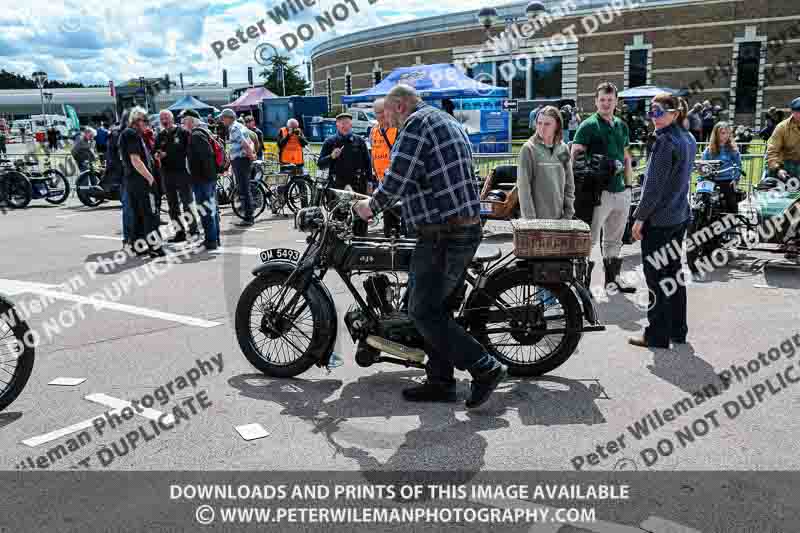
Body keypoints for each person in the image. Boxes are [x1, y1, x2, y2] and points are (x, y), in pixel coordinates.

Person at [353, 84, 507, 409]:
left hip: (443, 234)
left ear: (399, 105)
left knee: (421, 310)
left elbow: (397, 178)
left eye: (386, 114)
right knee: (438, 309)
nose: (386, 122)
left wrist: (370, 207)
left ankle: (485, 366)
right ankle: (440, 381)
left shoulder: (416, 125)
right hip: (458, 226)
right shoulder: (443, 119)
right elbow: (427, 177)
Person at [629, 93, 694, 349]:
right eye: (651, 112)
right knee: (674, 274)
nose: (653, 118)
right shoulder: (688, 138)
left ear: (675, 113)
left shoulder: (665, 141)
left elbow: (653, 188)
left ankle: (656, 334)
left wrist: (639, 218)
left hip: (661, 220)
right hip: (679, 216)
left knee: (656, 278)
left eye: (658, 112)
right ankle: (678, 330)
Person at [571, 81, 636, 294]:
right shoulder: (588, 125)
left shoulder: (622, 125)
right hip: (598, 192)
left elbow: (626, 157)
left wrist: (629, 186)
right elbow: (576, 158)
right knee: (588, 239)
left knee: (615, 240)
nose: (606, 104)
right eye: (602, 100)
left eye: (610, 100)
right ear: (596, 101)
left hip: (621, 191)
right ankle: (582, 285)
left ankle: (613, 280)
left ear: (616, 101)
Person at [120, 107, 165, 258]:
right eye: (145, 121)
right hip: (141, 182)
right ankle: (155, 247)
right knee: (151, 215)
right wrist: (150, 179)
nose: (147, 124)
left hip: (134, 182)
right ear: (137, 120)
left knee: (139, 215)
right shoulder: (132, 134)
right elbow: (135, 160)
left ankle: (137, 246)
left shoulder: (130, 134)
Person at [517, 106, 575, 220]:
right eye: (539, 123)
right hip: (536, 221)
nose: (542, 128)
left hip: (560, 219)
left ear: (557, 125)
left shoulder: (563, 148)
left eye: (547, 124)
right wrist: (530, 220)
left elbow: (569, 183)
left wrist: (568, 213)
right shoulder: (528, 149)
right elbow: (524, 188)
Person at [318, 112, 371, 236]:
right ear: (337, 125)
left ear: (351, 124)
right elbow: (320, 163)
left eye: (346, 122)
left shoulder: (359, 141)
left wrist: (370, 182)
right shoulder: (330, 142)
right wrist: (331, 156)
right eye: (341, 123)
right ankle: (340, 248)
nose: (344, 125)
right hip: (338, 185)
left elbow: (368, 163)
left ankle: (360, 242)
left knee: (360, 217)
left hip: (358, 184)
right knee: (339, 218)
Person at [155, 110, 197, 243]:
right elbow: (155, 150)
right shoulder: (160, 135)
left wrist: (169, 154)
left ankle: (194, 231)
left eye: (166, 117)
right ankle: (179, 233)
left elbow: (189, 151)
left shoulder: (183, 132)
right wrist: (157, 154)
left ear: (172, 119)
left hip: (182, 173)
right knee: (172, 206)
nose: (164, 120)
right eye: (162, 118)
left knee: (187, 204)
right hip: (167, 174)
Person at [182, 109, 220, 251]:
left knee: (206, 210)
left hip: (203, 180)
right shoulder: (203, 132)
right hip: (207, 178)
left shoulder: (196, 135)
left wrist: (202, 176)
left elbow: (206, 156)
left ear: (191, 121)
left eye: (184, 120)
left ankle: (211, 241)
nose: (182, 123)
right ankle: (214, 239)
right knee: (212, 209)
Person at [369, 98, 401, 237]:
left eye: (382, 112)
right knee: (388, 220)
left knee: (399, 217)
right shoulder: (374, 131)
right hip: (381, 181)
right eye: (377, 113)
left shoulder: (397, 128)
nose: (380, 116)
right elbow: (373, 153)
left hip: (396, 182)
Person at [221, 108, 257, 227]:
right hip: (242, 160)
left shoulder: (234, 128)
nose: (222, 120)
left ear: (229, 118)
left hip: (241, 161)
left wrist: (251, 156)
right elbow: (250, 142)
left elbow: (244, 143)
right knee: (244, 188)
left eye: (223, 118)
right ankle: (248, 215)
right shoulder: (240, 126)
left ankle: (248, 217)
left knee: (243, 189)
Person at [702, 122, 742, 213]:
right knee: (704, 202)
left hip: (727, 180)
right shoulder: (708, 150)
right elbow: (703, 165)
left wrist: (735, 179)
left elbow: (738, 165)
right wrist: (702, 177)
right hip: (711, 180)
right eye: (723, 133)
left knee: (731, 204)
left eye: (728, 133)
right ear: (716, 134)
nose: (725, 136)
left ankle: (732, 221)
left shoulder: (732, 149)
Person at [766, 98, 800, 181]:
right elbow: (772, 151)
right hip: (784, 167)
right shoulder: (781, 127)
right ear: (792, 112)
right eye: (798, 112)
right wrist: (778, 169)